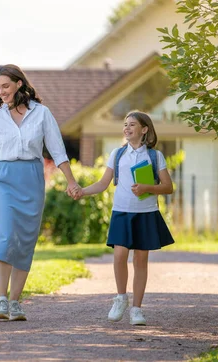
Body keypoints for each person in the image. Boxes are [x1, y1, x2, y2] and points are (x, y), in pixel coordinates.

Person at [0, 64, 80, 321]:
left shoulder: (42, 113)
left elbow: (58, 151)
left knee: (25, 240)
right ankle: (1, 300)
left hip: (32, 178)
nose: (1, 91)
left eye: (5, 86)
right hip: (3, 179)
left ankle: (15, 302)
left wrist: (71, 181)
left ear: (19, 84)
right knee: (4, 235)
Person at [73, 110, 175, 326]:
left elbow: (168, 187)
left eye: (132, 125)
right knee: (119, 255)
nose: (127, 128)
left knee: (140, 260)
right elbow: (103, 183)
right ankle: (121, 298)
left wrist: (148, 187)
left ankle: (137, 309)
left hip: (146, 214)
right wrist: (82, 191)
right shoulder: (117, 154)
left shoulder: (155, 156)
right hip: (121, 212)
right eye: (125, 125)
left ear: (144, 129)